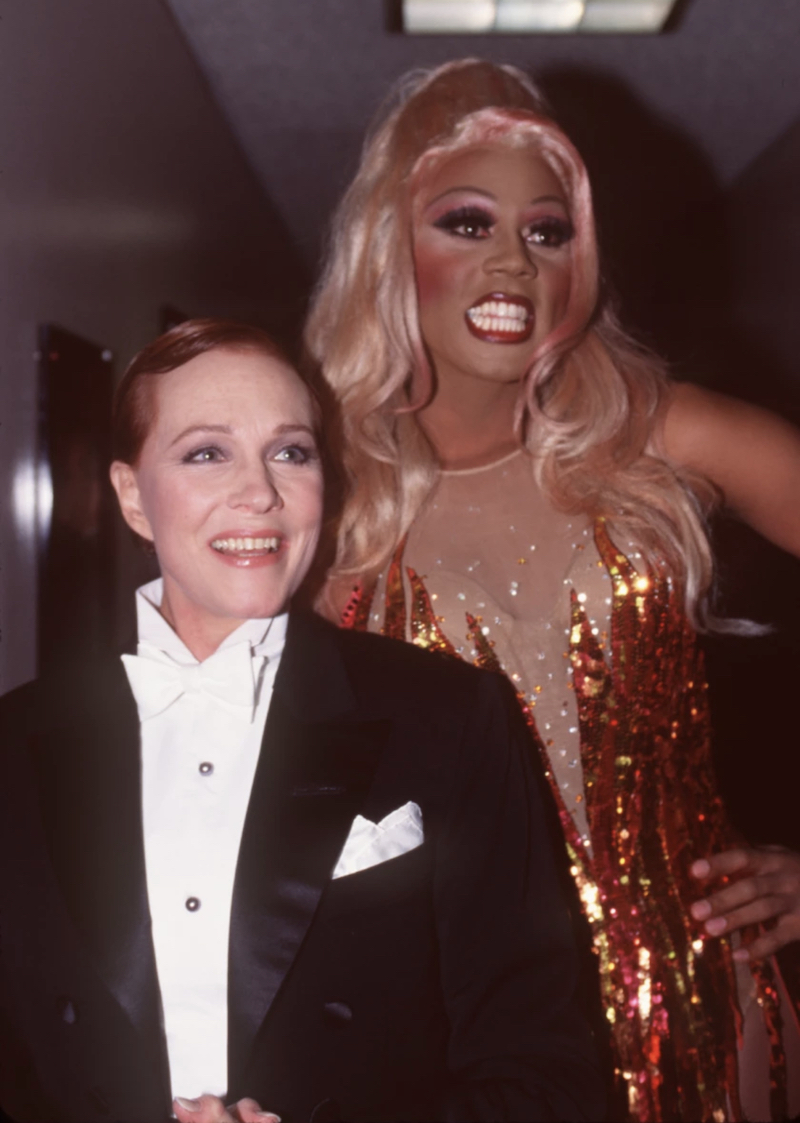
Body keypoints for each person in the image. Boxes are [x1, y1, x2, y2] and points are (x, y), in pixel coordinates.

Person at [304, 59, 800, 1121]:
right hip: (467, 1043)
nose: (512, 264)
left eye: (544, 231)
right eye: (466, 222)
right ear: (392, 247)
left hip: (697, 996)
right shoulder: (318, 503)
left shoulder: (660, 434)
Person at [0, 318, 603, 1123]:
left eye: (290, 451)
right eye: (206, 452)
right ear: (131, 496)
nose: (261, 492)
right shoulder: (17, 743)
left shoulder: (452, 717)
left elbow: (550, 1079)